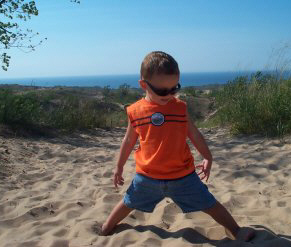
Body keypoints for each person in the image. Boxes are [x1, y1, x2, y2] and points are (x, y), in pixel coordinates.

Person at [101, 51, 254, 242]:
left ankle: (236, 230)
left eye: (175, 88)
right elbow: (128, 141)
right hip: (147, 176)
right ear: (143, 85)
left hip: (182, 175)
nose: (170, 94)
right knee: (128, 201)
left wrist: (207, 157)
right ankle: (106, 227)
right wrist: (119, 166)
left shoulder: (179, 108)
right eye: (163, 91)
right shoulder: (136, 111)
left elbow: (194, 134)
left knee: (209, 203)